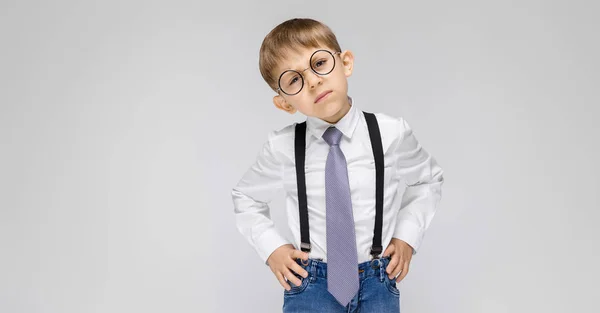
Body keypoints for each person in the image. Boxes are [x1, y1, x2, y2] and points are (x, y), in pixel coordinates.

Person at [231, 17, 444, 312]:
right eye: (294, 79)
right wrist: (273, 249)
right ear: (284, 103)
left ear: (346, 63)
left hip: (377, 280)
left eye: (319, 64)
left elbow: (428, 180)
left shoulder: (391, 133)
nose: (313, 81)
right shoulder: (282, 147)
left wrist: (407, 236)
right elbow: (246, 197)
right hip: (311, 285)